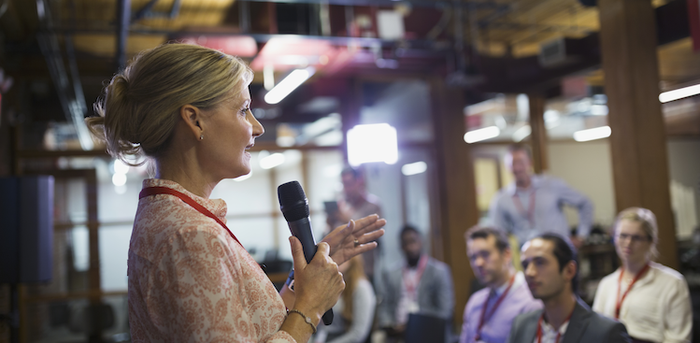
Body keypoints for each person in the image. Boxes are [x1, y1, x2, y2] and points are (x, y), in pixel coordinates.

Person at [86, 43, 386, 342]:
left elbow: (247, 329)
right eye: (243, 110)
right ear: (194, 119)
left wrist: (304, 282)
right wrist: (309, 309)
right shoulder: (191, 237)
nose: (257, 127)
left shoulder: (175, 217)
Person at [592, 207, 692, 343]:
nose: (628, 243)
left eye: (636, 237)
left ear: (650, 241)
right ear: (614, 237)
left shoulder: (673, 282)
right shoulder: (607, 284)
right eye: (623, 235)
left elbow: (679, 339)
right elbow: (595, 332)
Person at [508, 233, 629, 343]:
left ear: (569, 271)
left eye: (540, 262)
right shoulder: (521, 325)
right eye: (525, 265)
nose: (529, 272)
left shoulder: (605, 333)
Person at [489, 144, 594, 248]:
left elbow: (585, 203)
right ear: (507, 166)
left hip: (559, 251)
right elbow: (497, 233)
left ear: (530, 162)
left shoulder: (551, 185)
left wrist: (582, 236)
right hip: (527, 256)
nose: (517, 167)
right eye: (512, 163)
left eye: (521, 162)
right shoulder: (501, 199)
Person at [460, 225, 541, 343]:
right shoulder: (475, 302)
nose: (478, 263)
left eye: (485, 254)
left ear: (507, 254)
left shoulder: (530, 300)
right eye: (473, 257)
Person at [377, 225, 454, 339]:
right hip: (397, 333)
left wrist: (414, 326)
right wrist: (389, 325)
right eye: (405, 243)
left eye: (413, 241)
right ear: (401, 246)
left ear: (421, 242)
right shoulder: (391, 274)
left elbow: (445, 311)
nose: (410, 247)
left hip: (428, 333)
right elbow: (385, 305)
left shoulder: (439, 272)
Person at [328, 166, 383, 285]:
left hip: (365, 266)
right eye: (344, 184)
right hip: (343, 267)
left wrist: (346, 220)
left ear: (359, 181)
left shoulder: (372, 205)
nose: (346, 188)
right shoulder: (342, 205)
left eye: (349, 183)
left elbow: (374, 235)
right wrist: (331, 224)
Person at [314, 255, 376, 343]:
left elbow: (358, 333)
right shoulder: (329, 285)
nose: (336, 258)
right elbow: (324, 327)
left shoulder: (361, 288)